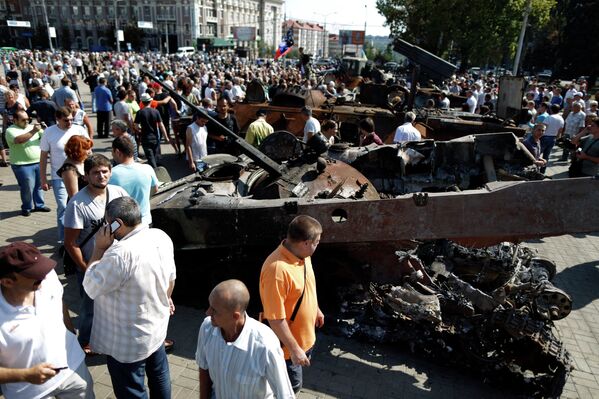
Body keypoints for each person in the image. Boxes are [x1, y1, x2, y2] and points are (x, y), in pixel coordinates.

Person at [83, 197, 176, 399]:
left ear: (119, 223)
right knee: (159, 375)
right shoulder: (160, 236)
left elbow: (90, 286)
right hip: (157, 327)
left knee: (131, 389)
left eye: (108, 223)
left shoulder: (119, 253)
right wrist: (165, 298)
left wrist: (99, 248)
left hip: (128, 342)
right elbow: (171, 278)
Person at [0, 242, 94, 399]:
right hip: (29, 391)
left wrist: (70, 331)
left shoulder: (47, 277)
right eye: (34, 275)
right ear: (7, 282)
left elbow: (59, 301)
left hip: (73, 369)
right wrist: (25, 375)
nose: (43, 276)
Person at [63, 154, 129, 353]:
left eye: (105, 171)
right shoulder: (77, 204)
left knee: (117, 305)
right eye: (96, 173)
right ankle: (84, 344)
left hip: (118, 264)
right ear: (86, 176)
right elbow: (70, 243)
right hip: (92, 265)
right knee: (90, 310)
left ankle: (112, 337)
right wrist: (86, 269)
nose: (101, 176)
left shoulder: (119, 193)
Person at [196, 280, 294, 399]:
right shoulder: (207, 328)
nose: (207, 312)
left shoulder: (265, 345)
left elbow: (285, 394)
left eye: (214, 310)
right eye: (210, 306)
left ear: (235, 316)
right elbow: (203, 367)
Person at [260, 215, 325, 394]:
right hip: (288, 352)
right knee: (290, 387)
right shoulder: (277, 271)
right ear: (305, 242)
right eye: (317, 242)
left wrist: (316, 308)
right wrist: (295, 350)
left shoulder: (303, 256)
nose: (318, 245)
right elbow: (275, 319)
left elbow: (307, 283)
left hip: (304, 340)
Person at [40, 107, 89, 243]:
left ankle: (80, 234)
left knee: (80, 204)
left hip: (80, 174)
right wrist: (43, 179)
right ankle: (64, 240)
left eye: (72, 119)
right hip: (58, 177)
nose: (70, 123)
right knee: (63, 206)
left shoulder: (78, 129)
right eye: (66, 120)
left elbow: (88, 149)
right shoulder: (49, 132)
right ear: (58, 119)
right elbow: (43, 157)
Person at [5, 110, 49, 216]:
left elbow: (45, 137)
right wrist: (34, 131)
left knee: (38, 185)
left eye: (28, 119)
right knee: (27, 187)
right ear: (14, 120)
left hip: (38, 161)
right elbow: (19, 140)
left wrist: (47, 130)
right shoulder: (10, 130)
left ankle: (39, 205)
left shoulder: (32, 127)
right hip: (21, 164)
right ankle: (26, 207)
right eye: (23, 120)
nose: (27, 121)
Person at [109, 136, 158, 226]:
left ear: (117, 152)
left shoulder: (111, 174)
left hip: (123, 226)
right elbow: (155, 189)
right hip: (146, 221)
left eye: (112, 151)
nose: (112, 154)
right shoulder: (147, 168)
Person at [57, 135, 93, 200]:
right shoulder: (68, 169)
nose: (90, 152)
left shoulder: (84, 161)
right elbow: (74, 196)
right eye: (86, 149)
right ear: (77, 150)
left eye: (90, 148)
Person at [540, 104, 564, 173]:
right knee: (546, 156)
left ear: (551, 110)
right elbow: (560, 130)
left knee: (537, 154)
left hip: (545, 137)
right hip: (553, 138)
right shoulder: (561, 119)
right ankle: (542, 171)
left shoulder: (549, 117)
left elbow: (543, 128)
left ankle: (534, 169)